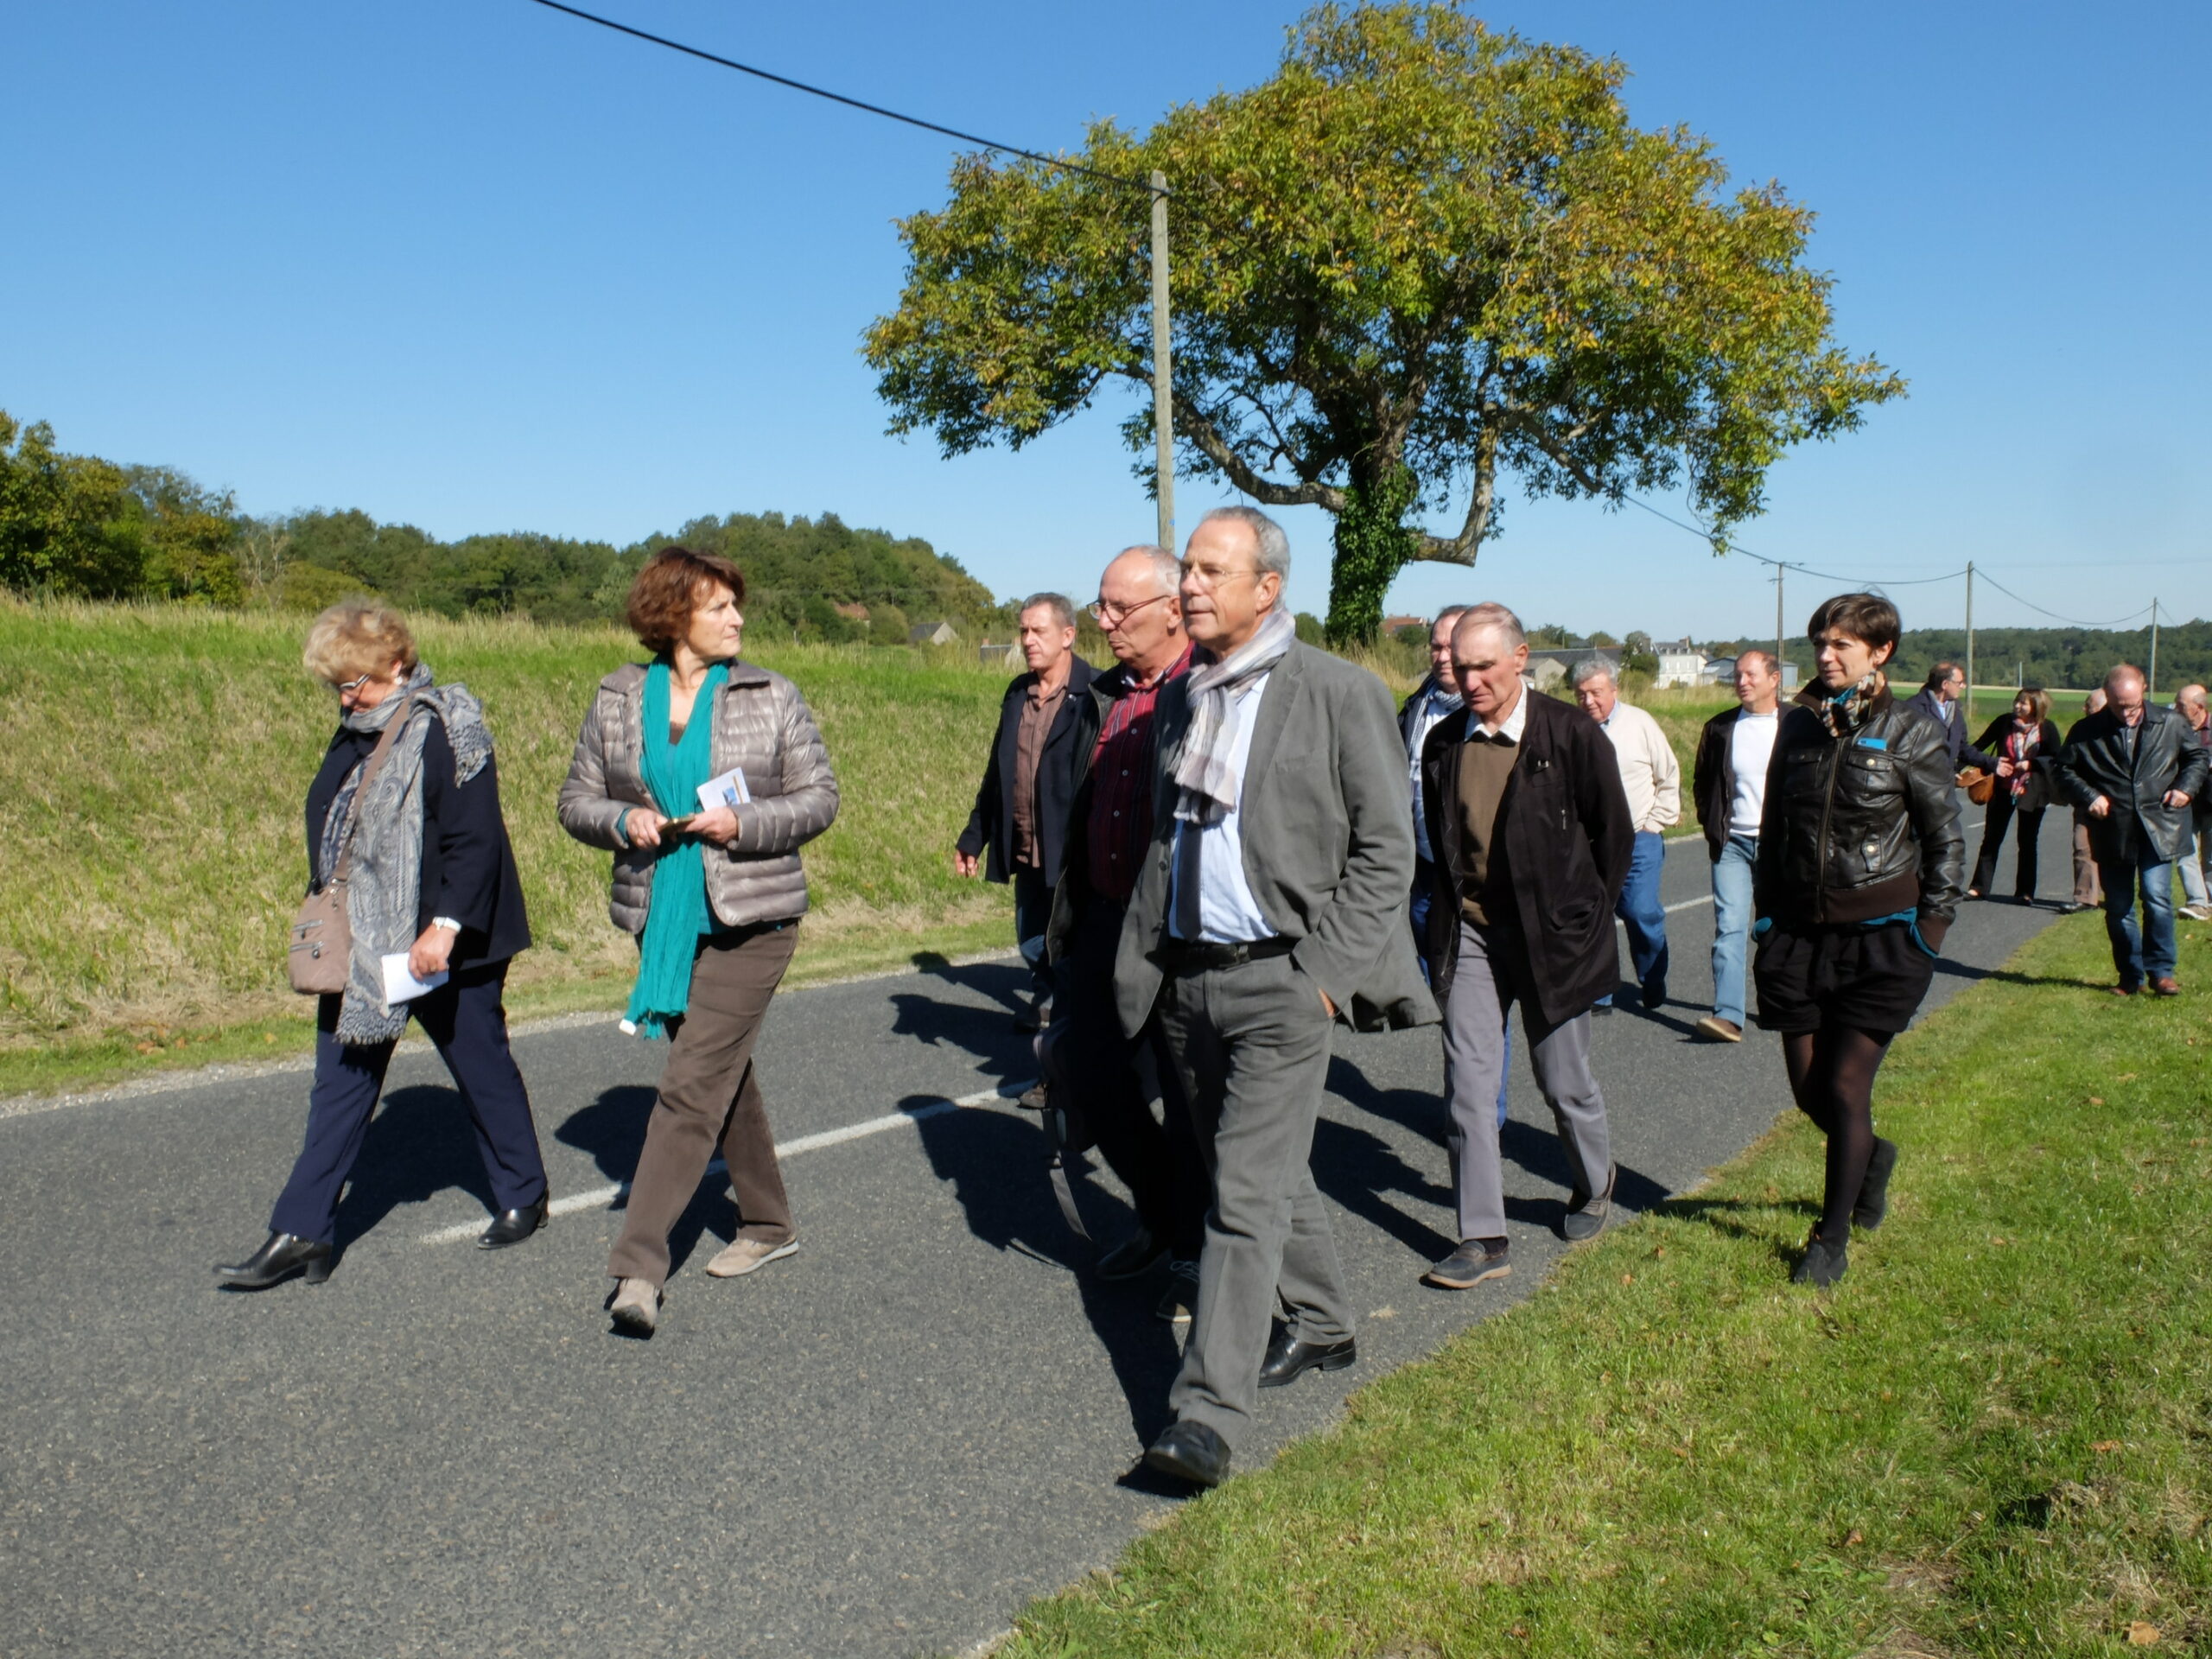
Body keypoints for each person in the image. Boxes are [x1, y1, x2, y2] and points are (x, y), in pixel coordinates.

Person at [1122, 507, 1434, 1490]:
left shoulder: (1338, 693)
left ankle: (1204, 1415)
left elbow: (1388, 852)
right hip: (1189, 978)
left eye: (1214, 570)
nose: (1191, 586)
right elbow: (1173, 844)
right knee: (1250, 1164)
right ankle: (1330, 1325)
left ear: (1269, 588)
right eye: (1187, 568)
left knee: (1243, 1194)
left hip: (1285, 984)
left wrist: (1322, 983)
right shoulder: (1185, 699)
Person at [218, 601, 548, 1288]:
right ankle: (302, 1229)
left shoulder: (447, 725)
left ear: (396, 664)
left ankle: (524, 1193)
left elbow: (474, 838)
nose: (346, 697)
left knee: (480, 1068)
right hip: (369, 943)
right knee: (338, 1084)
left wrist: (445, 927)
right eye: (336, 685)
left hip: (445, 941)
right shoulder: (354, 731)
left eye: (357, 682)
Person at [558, 546, 838, 1334]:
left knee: (687, 1089)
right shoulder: (618, 697)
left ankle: (637, 1268)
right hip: (665, 917)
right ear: (672, 614)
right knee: (722, 1077)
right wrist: (623, 819)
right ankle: (769, 1225)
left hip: (754, 920)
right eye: (719, 607)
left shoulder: (770, 694)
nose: (737, 619)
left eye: (735, 606)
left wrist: (742, 822)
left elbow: (819, 800)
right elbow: (575, 798)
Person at [1420, 607, 1633, 1294]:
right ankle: (1482, 1235)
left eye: (1484, 665)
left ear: (1521, 658)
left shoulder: (1571, 734)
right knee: (1470, 1089)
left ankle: (1595, 1182)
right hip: (1474, 936)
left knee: (1562, 1083)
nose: (1468, 678)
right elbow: (1443, 842)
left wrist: (1584, 915)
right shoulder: (1443, 742)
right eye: (1459, 664)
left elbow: (1613, 836)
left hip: (1555, 938)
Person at [1754, 594, 1963, 1288]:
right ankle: (1871, 1159)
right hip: (1798, 937)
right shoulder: (1800, 727)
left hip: (1883, 942)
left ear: (1881, 653)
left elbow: (1945, 841)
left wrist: (1927, 934)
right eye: (1820, 642)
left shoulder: (1912, 731)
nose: (1825, 656)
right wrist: (1764, 917)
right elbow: (1775, 828)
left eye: (1842, 644)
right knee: (1811, 1093)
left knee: (1846, 1088)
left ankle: (1830, 1235)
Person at [1044, 546, 1208, 1323]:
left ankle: (1197, 1250)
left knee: (1186, 1098)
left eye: (1119, 609)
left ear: (1172, 610)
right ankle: (1164, 1214)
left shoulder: (1208, 690)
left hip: (1177, 933)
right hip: (1103, 922)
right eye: (1102, 606)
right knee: (1091, 1076)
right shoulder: (1103, 697)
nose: (1102, 622)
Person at [956, 595, 1096, 1029]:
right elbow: (997, 773)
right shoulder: (1018, 692)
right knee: (1031, 940)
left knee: (1067, 944)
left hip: (1073, 851)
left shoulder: (1094, 693)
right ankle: (1052, 1001)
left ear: (1068, 636)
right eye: (1023, 631)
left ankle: (1061, 1029)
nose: (1028, 640)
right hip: (1024, 843)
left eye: (1039, 631)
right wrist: (973, 836)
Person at [1401, 607, 1511, 1126]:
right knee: (1443, 990)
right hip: (1422, 870)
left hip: (1474, 883)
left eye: (1452, 648)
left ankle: (1484, 1112)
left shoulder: (1490, 714)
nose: (1443, 657)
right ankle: (1468, 1092)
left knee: (1478, 1003)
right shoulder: (1417, 706)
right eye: (1436, 648)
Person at [2055, 664, 2206, 997]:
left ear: (2144, 690)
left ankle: (2162, 972)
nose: (2127, 713)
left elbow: (2196, 758)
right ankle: (2130, 976)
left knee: (2157, 898)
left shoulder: (2171, 723)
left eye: (2133, 705)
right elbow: (2063, 771)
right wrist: (2089, 796)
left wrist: (2185, 788)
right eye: (2119, 706)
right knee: (2119, 906)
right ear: (2106, 696)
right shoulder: (2086, 731)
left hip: (2160, 825)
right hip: (2113, 829)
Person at [1572, 660, 1679, 1011]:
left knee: (1639, 912)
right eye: (1581, 694)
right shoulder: (1570, 729)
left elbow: (1668, 774)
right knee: (1594, 915)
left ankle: (1652, 976)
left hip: (1638, 837)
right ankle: (1600, 991)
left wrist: (1656, 821)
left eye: (1596, 693)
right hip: (1589, 844)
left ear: (1614, 691)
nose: (1588, 701)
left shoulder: (1640, 724)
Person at [1689, 649, 1783, 1042]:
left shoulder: (1797, 725)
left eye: (1750, 675)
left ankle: (1779, 1004)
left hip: (1781, 844)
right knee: (1729, 927)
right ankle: (1728, 1015)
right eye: (1738, 675)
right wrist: (1711, 825)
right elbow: (1702, 781)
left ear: (1774, 679)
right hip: (1732, 844)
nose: (1741, 682)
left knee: (1775, 928)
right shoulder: (1720, 728)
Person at [1965, 687, 2063, 903]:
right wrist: (1963, 765)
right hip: (2002, 787)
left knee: (2027, 841)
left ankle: (2025, 892)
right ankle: (1979, 887)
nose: (2017, 706)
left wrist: (2031, 763)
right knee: (1992, 838)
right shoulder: (2004, 722)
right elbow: (1978, 747)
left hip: (2033, 790)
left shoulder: (2047, 729)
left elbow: (2057, 759)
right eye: (2017, 701)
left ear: (2036, 707)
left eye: (2024, 703)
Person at [1905, 662, 1999, 777]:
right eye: (1959, 683)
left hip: (1945, 783)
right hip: (1919, 783)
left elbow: (1962, 748)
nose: (1963, 686)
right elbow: (1901, 748)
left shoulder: (1955, 710)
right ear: (1945, 684)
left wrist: (1993, 763)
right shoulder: (1913, 709)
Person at [2063, 686, 2109, 914]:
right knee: (2082, 848)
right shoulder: (2079, 731)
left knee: (2116, 851)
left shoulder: (2119, 731)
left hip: (2116, 802)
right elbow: (2065, 765)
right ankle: (2085, 897)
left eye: (2088, 705)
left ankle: (2115, 895)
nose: (2084, 709)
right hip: (2086, 799)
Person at [2172, 684, 2211, 920]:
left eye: (2181, 706)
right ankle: (2197, 902)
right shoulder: (2175, 730)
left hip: (2210, 802)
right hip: (2184, 803)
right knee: (2185, 851)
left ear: (2199, 707)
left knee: (2210, 857)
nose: (2175, 709)